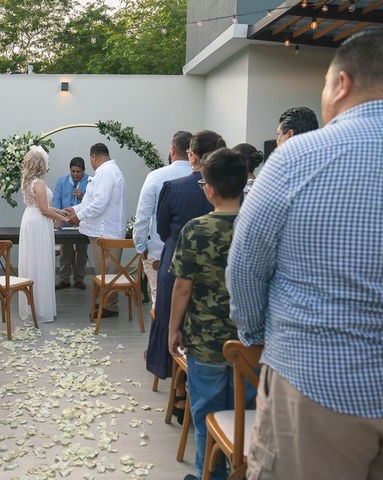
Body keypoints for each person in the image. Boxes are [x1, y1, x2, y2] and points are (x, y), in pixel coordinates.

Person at [227, 28, 383, 480]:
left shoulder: (297, 157)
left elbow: (244, 264)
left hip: (316, 384)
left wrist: (255, 334)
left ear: (342, 83)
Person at [168, 148, 254, 480]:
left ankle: (210, 474)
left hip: (206, 343)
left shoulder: (196, 229)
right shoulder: (259, 226)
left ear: (210, 189)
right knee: (245, 419)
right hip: (250, 344)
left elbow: (182, 288)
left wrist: (172, 330)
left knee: (208, 418)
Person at [148, 131, 225, 383]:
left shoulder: (174, 188)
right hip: (216, 266)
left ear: (192, 155)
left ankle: (178, 389)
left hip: (175, 259)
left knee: (174, 319)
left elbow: (161, 229)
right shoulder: (228, 190)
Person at [133, 130, 193, 311]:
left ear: (172, 150)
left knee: (159, 302)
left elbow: (143, 215)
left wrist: (141, 246)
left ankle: (162, 337)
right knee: (188, 306)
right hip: (193, 253)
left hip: (160, 250)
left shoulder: (156, 176)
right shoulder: (202, 177)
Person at [66, 143, 126, 318]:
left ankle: (110, 307)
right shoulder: (106, 171)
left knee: (108, 270)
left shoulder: (106, 172)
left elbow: (100, 202)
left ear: (93, 156)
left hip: (106, 231)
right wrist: (75, 210)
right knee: (103, 271)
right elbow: (93, 200)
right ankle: (104, 303)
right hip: (102, 230)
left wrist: (79, 216)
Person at [19, 146, 68, 324]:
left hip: (31, 219)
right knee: (39, 262)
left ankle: (32, 306)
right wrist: (60, 217)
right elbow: (44, 210)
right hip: (38, 222)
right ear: (40, 165)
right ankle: (39, 309)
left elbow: (42, 206)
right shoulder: (38, 183)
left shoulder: (29, 181)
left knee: (33, 262)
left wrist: (59, 212)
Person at [52, 156, 90, 290]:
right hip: (65, 222)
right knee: (65, 252)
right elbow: (56, 199)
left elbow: (94, 202)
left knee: (82, 252)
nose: (75, 174)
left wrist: (82, 196)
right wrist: (57, 218)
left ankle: (79, 279)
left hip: (82, 223)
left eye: (78, 172)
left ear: (84, 170)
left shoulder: (90, 181)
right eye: (73, 171)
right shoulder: (62, 181)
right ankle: (64, 279)